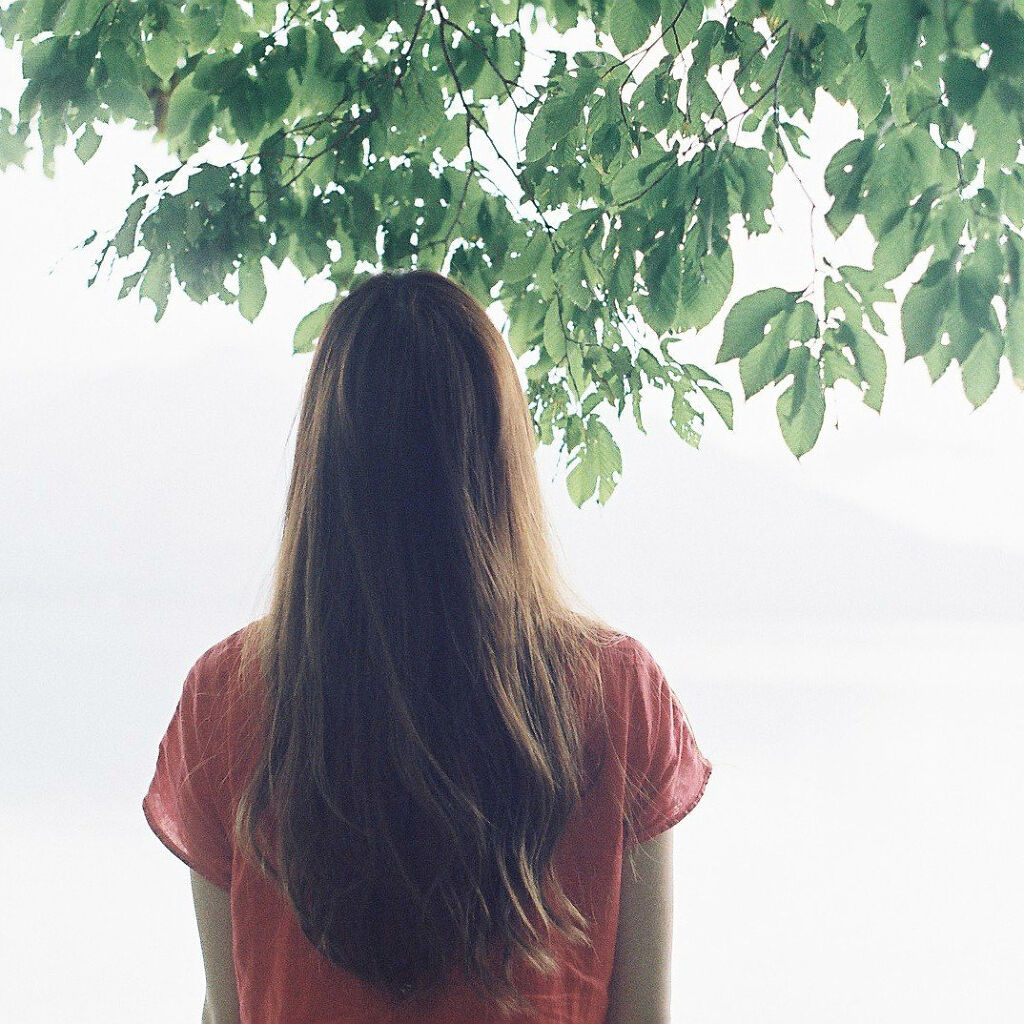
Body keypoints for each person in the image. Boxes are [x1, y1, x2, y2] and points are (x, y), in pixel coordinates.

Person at [142, 269, 712, 1024]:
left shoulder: (226, 697)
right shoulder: (616, 693)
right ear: (499, 457)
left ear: (327, 462)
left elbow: (230, 1009)